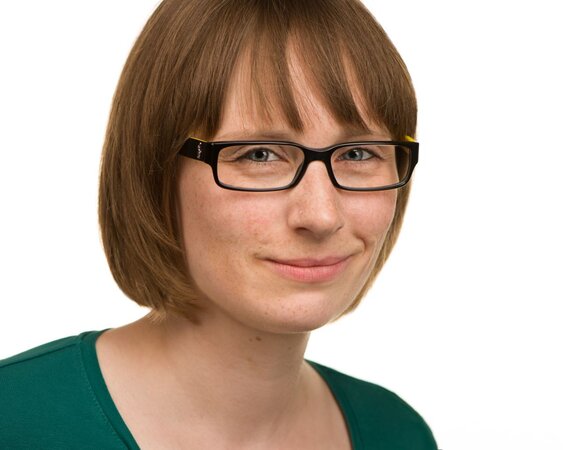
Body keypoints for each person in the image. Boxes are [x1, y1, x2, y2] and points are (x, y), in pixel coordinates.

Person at [0, 0, 438, 448]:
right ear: (156, 170)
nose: (321, 216)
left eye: (358, 154)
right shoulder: (14, 419)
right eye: (259, 155)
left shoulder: (397, 434)